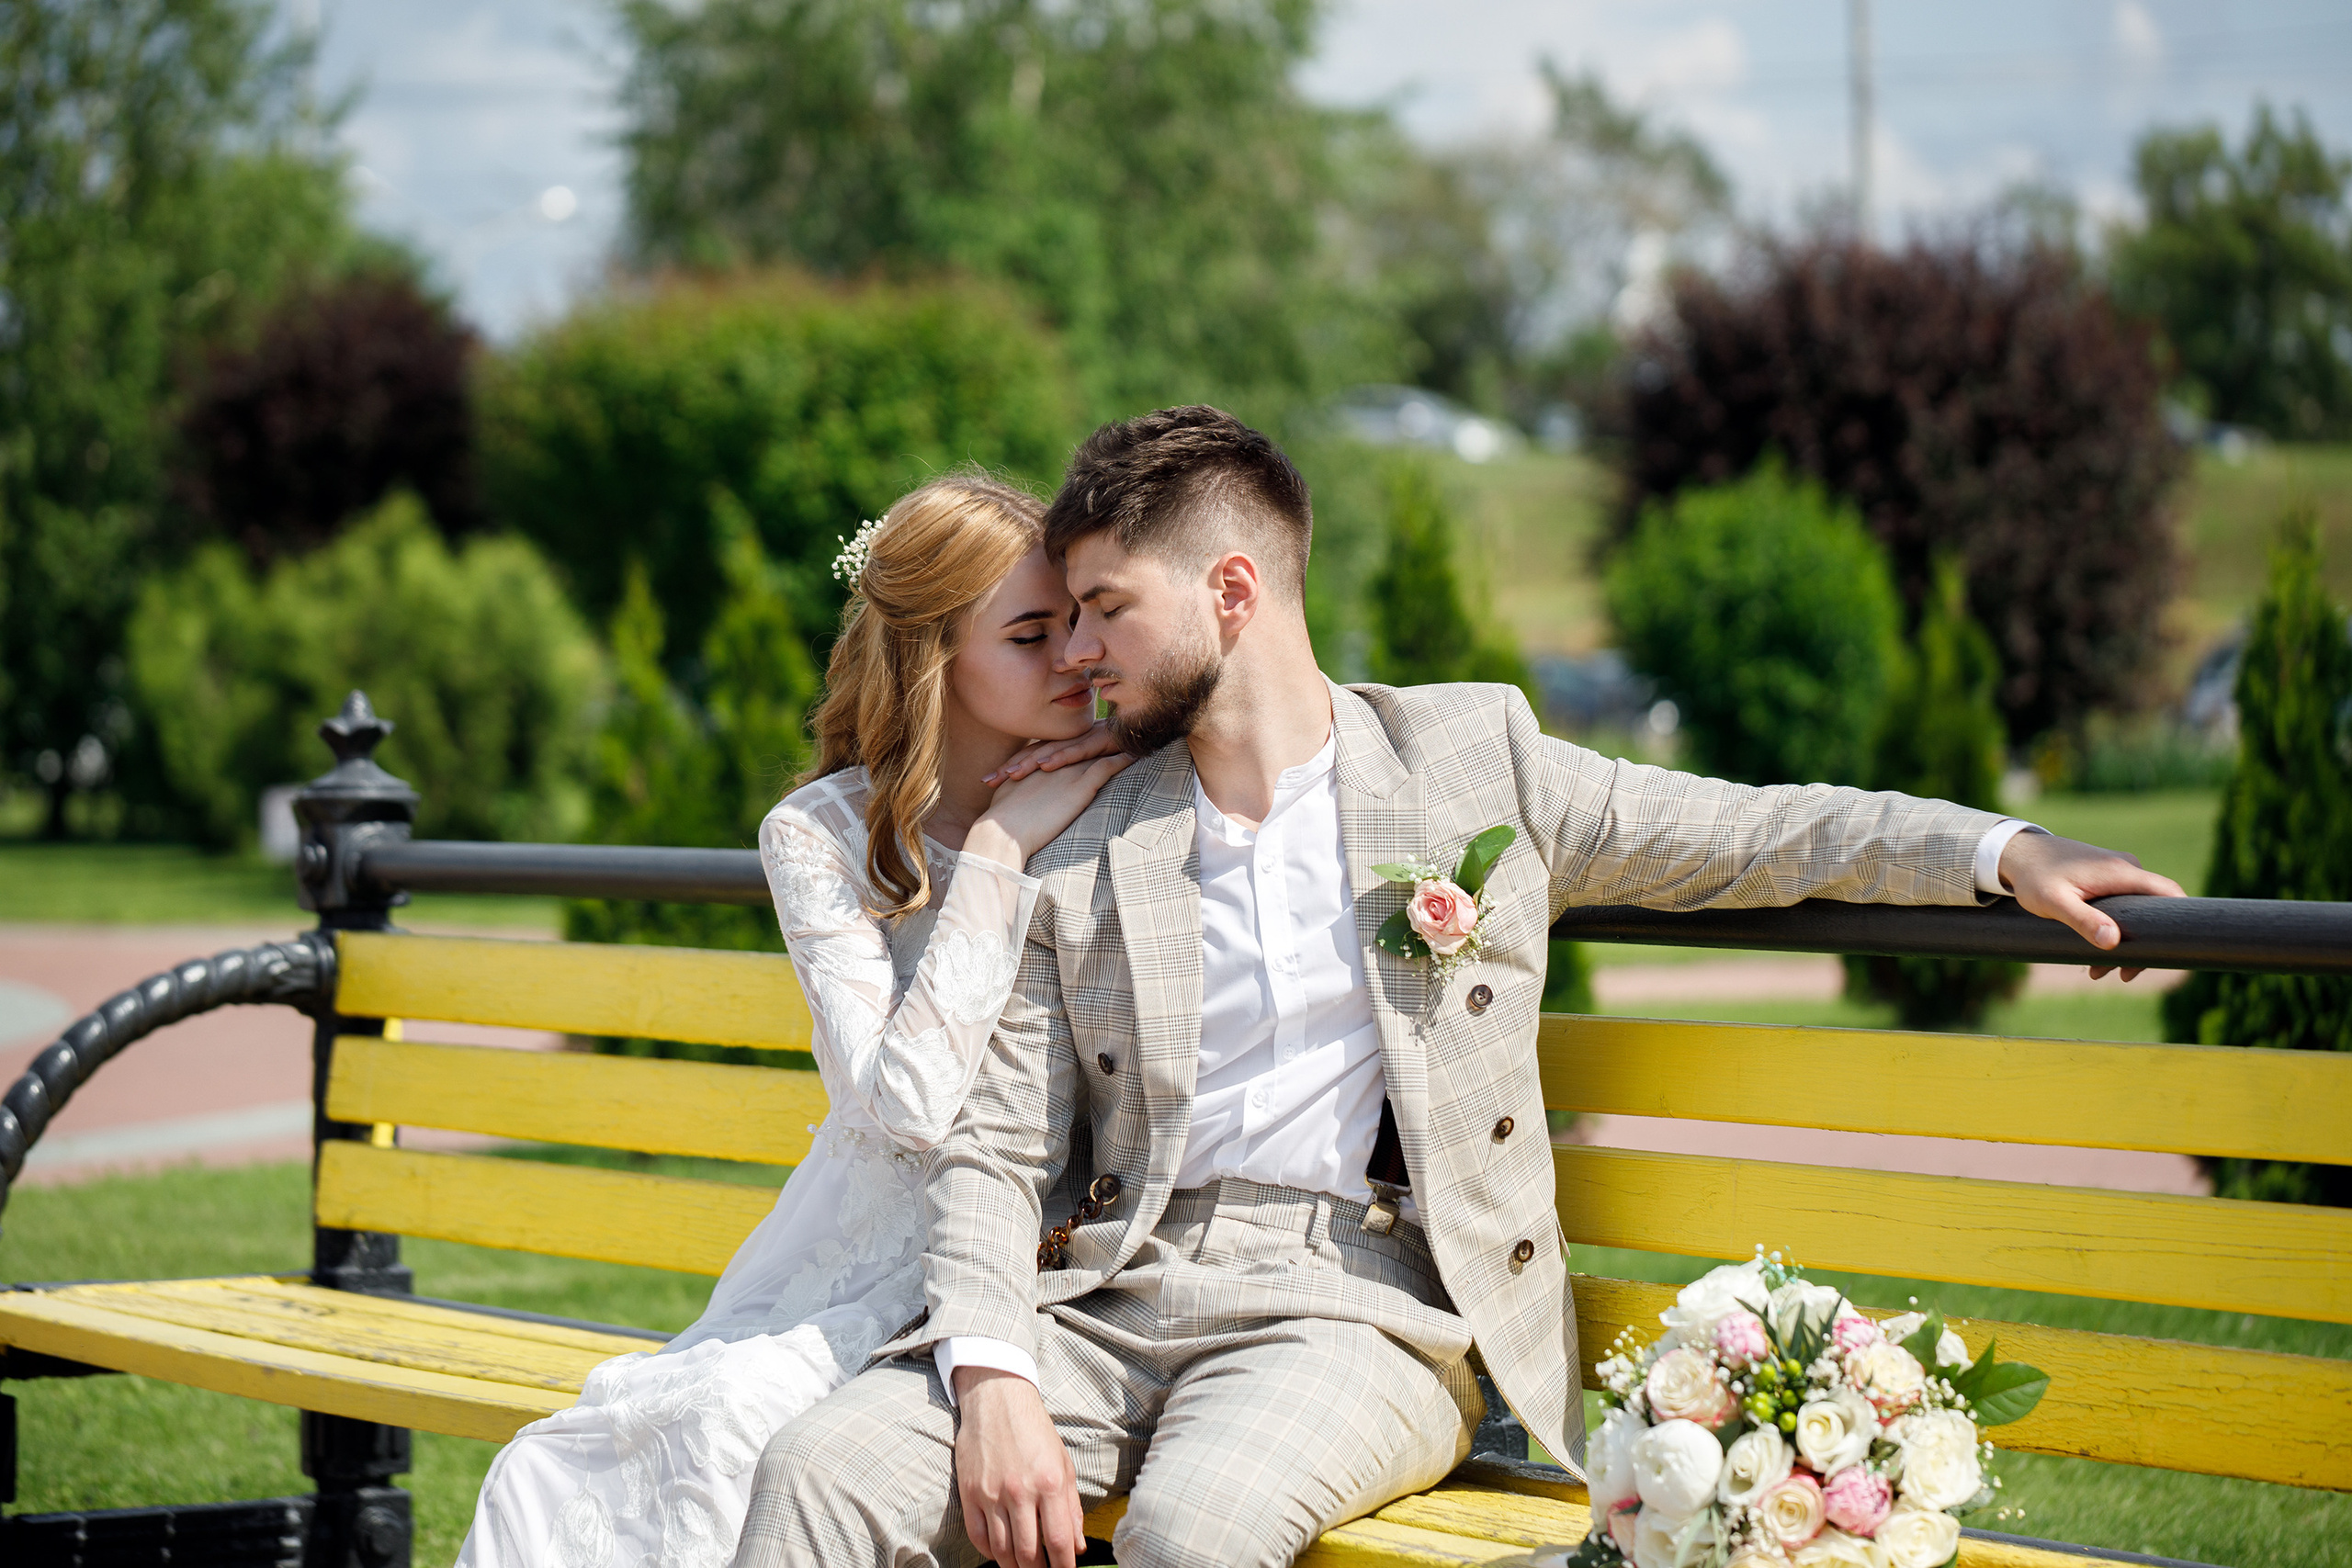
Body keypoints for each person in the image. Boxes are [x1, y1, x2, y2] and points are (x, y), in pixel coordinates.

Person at [731, 407, 2184, 1568]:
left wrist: (2001, 847)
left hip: (1363, 1306)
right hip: (1113, 1287)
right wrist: (991, 1378)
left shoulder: (1468, 764)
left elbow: (1751, 830)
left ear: (1233, 590)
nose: (1084, 647)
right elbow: (989, 1141)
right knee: (820, 1473)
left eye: (1106, 605)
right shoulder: (1091, 822)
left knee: (1192, 1532)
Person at [454, 473, 1129, 1568]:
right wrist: (999, 854)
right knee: (568, 1456)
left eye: (1080, 624)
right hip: (851, 1247)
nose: (1075, 658)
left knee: (733, 1432)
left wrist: (1019, 837)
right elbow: (901, 1109)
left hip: (1019, 1241)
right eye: (1030, 632)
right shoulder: (822, 835)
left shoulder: (1111, 794)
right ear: (935, 657)